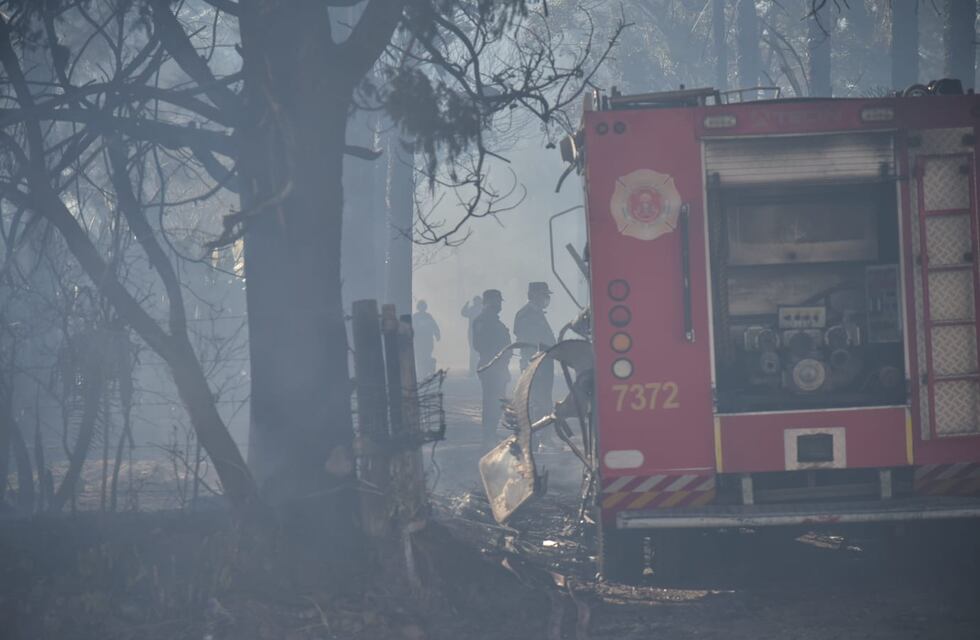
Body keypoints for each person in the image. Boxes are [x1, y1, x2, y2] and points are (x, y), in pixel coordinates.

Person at [472, 289, 511, 446]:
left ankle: (491, 433)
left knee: (497, 401)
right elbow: (479, 344)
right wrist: (497, 354)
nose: (499, 304)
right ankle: (488, 436)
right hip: (490, 365)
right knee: (491, 402)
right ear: (488, 302)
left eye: (500, 301)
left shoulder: (494, 321)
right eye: (497, 301)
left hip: (499, 366)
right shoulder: (482, 320)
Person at [514, 282, 557, 423]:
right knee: (537, 400)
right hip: (536, 363)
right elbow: (528, 339)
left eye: (547, 295)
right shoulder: (526, 314)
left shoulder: (536, 313)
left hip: (543, 361)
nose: (546, 298)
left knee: (544, 398)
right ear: (533, 295)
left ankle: (544, 435)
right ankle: (538, 435)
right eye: (543, 295)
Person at [413, 300, 441, 380]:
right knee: (419, 357)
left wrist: (437, 334)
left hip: (427, 341)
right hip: (418, 341)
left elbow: (434, 326)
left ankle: (424, 372)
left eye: (423, 306)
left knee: (426, 356)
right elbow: (412, 328)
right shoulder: (415, 317)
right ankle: (421, 372)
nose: (422, 308)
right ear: (419, 307)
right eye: (421, 306)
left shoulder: (428, 316)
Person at [460, 294, 483, 376]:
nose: (476, 302)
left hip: (480, 333)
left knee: (477, 352)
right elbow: (463, 313)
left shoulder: (482, 309)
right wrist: (465, 306)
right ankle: (473, 370)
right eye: (475, 301)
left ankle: (477, 369)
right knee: (473, 352)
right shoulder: (474, 309)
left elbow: (463, 313)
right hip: (473, 333)